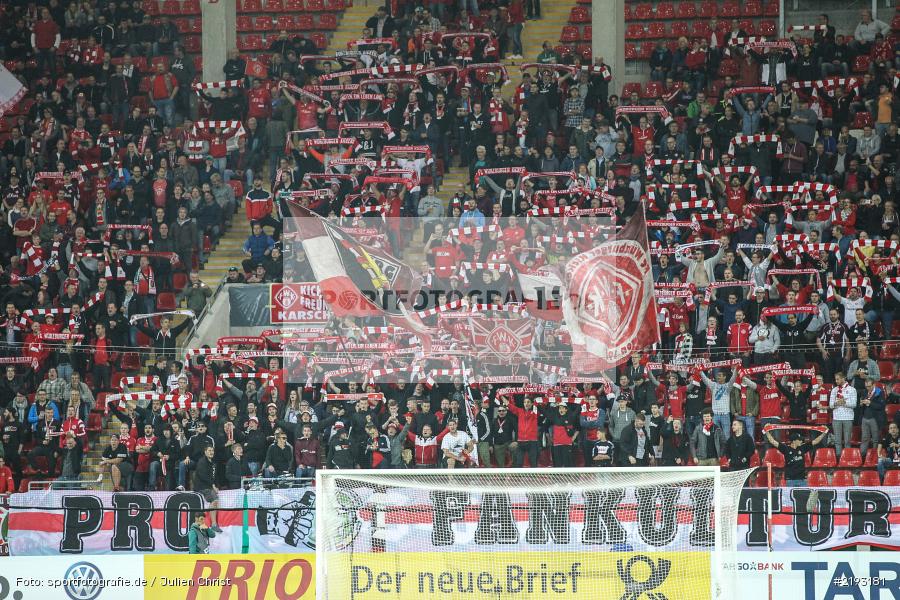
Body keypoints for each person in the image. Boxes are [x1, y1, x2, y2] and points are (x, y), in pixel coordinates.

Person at [765, 428, 829, 487]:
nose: (801, 441)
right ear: (794, 441)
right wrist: (767, 432)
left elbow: (816, 441)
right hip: (790, 480)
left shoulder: (803, 447)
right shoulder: (786, 448)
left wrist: (824, 433)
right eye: (799, 440)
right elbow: (772, 441)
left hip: (802, 480)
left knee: (804, 496)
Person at [193, 445, 223, 532]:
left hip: (209, 486)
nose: (211, 452)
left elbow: (215, 477)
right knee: (214, 500)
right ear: (205, 452)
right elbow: (203, 476)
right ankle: (213, 524)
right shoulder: (202, 462)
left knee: (215, 501)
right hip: (202, 487)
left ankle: (210, 522)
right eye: (209, 450)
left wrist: (216, 486)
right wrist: (213, 485)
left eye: (212, 451)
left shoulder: (213, 463)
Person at [829, 371, 857, 458]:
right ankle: (838, 458)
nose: (836, 381)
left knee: (847, 441)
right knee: (837, 440)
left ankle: (847, 457)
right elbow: (831, 405)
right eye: (835, 379)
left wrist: (844, 402)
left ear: (843, 378)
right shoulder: (834, 390)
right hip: (836, 418)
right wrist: (837, 403)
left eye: (838, 379)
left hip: (848, 418)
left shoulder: (852, 390)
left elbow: (854, 404)